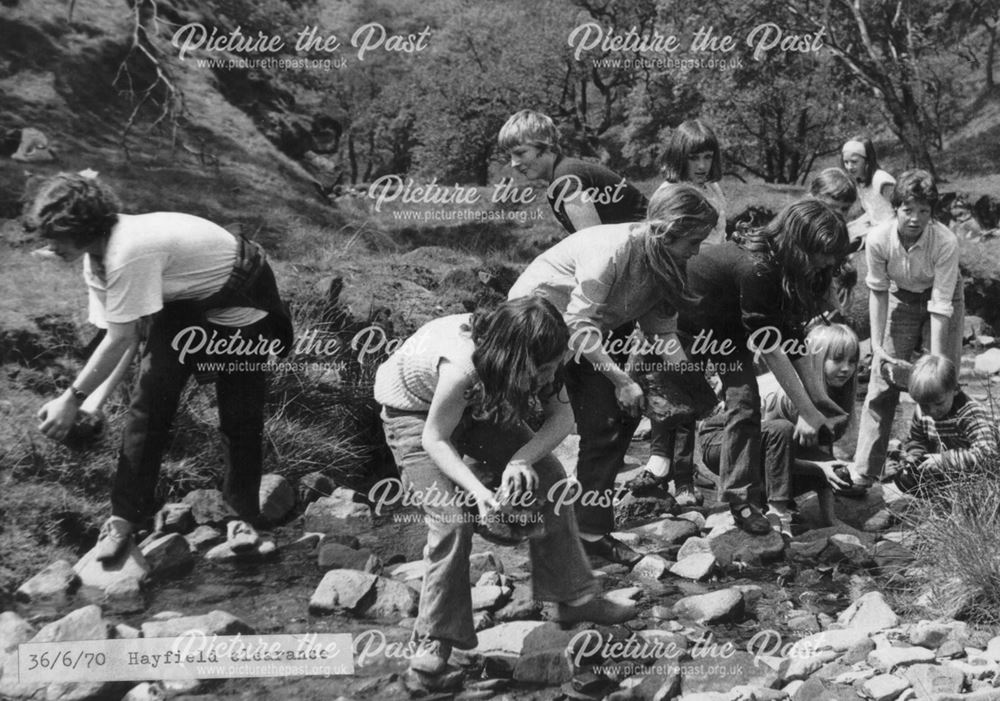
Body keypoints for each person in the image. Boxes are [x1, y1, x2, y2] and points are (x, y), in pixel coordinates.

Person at [26, 172, 293, 562]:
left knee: (240, 415)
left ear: (81, 228)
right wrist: (90, 406)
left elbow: (120, 340)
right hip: (186, 301)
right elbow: (125, 337)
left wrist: (71, 398)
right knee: (148, 406)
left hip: (242, 298)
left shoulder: (128, 251)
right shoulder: (96, 262)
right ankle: (123, 518)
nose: (49, 246)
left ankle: (242, 519)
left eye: (54, 236)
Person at [373, 297, 636, 677]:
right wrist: (478, 492)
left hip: (480, 403)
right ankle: (436, 637)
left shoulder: (548, 353)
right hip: (414, 414)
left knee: (551, 481)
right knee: (451, 521)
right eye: (543, 371)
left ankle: (574, 597)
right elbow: (435, 438)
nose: (550, 378)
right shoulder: (462, 365)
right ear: (519, 362)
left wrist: (520, 459)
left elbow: (563, 418)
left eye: (554, 367)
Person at [508, 183, 718, 566]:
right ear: (666, 231)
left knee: (613, 420)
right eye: (693, 240)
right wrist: (622, 379)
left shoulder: (669, 262)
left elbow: (662, 330)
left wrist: (691, 383)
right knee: (515, 421)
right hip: (534, 330)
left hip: (587, 335)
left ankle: (590, 532)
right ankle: (497, 517)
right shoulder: (612, 250)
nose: (697, 250)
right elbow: (579, 322)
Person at [679, 200, 852, 534]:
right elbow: (771, 348)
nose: (830, 262)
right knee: (678, 405)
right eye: (825, 252)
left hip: (729, 328)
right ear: (801, 244)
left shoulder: (782, 267)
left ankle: (739, 500)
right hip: (688, 324)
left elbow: (790, 336)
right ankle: (672, 479)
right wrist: (806, 411)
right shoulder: (758, 268)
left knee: (745, 404)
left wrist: (818, 397)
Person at [632, 119, 729, 507]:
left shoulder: (715, 189)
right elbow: (654, 250)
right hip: (673, 294)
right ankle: (662, 463)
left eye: (708, 157)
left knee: (692, 381)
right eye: (695, 157)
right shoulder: (667, 193)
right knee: (668, 377)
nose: (702, 165)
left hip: (707, 293)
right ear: (679, 157)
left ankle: (684, 475)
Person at [850, 170, 965, 489]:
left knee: (943, 382)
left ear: (932, 212)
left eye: (924, 211)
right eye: (908, 210)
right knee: (881, 379)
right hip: (900, 294)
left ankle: (947, 466)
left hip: (942, 295)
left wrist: (936, 362)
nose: (915, 219)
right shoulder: (878, 238)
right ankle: (864, 470)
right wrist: (877, 345)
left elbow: (941, 305)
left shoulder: (945, 241)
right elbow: (878, 289)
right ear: (896, 208)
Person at [700, 323, 859, 536]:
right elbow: (770, 452)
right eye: (838, 359)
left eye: (852, 361)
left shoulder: (833, 397)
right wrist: (818, 467)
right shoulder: (792, 395)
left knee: (829, 466)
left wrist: (830, 518)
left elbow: (824, 455)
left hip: (760, 449)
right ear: (816, 360)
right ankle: (777, 515)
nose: (847, 368)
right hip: (723, 442)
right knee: (782, 429)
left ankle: (772, 503)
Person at [498, 109, 648, 234]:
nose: (513, 163)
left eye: (520, 153)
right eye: (510, 156)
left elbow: (594, 243)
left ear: (546, 145)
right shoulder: (560, 177)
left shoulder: (566, 177)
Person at [890, 354, 999, 491]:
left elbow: (988, 454)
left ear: (955, 390)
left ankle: (966, 497)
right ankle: (939, 497)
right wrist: (914, 457)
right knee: (903, 477)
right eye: (924, 405)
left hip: (978, 472)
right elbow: (916, 441)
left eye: (939, 403)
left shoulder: (970, 414)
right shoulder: (922, 412)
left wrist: (944, 460)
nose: (932, 411)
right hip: (946, 469)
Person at [809, 168, 861, 316]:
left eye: (844, 209)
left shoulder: (839, 234)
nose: (838, 214)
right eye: (831, 207)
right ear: (812, 198)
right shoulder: (801, 227)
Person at [841, 136, 895, 243]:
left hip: (892, 232)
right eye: (846, 162)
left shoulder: (880, 180)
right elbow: (874, 212)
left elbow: (902, 209)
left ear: (867, 161)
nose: (849, 167)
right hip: (878, 230)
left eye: (854, 162)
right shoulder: (861, 181)